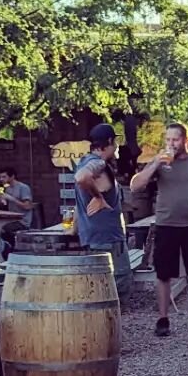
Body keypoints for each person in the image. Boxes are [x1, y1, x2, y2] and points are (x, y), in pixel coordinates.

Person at [128, 121, 188, 337]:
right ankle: (163, 320)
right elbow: (135, 185)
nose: (171, 144)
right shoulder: (159, 162)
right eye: (168, 140)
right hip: (165, 224)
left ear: (185, 140)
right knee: (163, 275)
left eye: (175, 139)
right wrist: (154, 165)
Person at [72, 123, 133, 302]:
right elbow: (82, 178)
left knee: (98, 289)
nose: (116, 147)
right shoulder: (98, 163)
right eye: (115, 142)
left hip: (93, 237)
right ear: (108, 142)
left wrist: (75, 228)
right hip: (108, 239)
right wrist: (98, 197)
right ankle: (115, 328)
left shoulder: (83, 161)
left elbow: (79, 201)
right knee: (117, 287)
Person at [0, 169, 37, 258]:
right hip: (11, 219)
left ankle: (8, 248)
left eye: (4, 177)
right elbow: (4, 206)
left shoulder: (23, 188)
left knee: (1, 228)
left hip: (22, 221)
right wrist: (1, 199)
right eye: (0, 177)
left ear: (12, 176)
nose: (1, 179)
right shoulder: (7, 188)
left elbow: (27, 206)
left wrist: (11, 199)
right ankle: (5, 250)